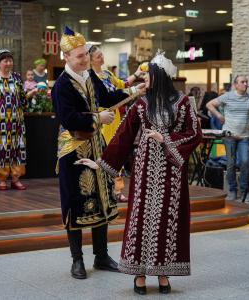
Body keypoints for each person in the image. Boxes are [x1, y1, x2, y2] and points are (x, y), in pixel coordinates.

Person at [79, 51, 202, 294]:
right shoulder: (141, 103)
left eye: (149, 76)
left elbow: (194, 134)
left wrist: (165, 138)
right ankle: (139, 274)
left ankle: (164, 273)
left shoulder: (183, 102)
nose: (145, 80)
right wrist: (101, 163)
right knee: (142, 218)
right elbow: (123, 136)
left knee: (168, 219)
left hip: (171, 173)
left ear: (161, 77)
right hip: (144, 170)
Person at [51, 26, 145, 280]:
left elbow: (108, 95)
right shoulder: (61, 85)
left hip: (96, 148)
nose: (85, 59)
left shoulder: (90, 77)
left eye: (85, 54)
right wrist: (97, 118)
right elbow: (68, 118)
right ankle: (77, 260)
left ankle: (101, 255)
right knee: (75, 202)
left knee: (103, 199)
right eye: (79, 56)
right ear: (67, 57)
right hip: (73, 150)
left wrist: (136, 91)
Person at [89, 45, 143, 201]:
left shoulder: (107, 74)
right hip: (101, 119)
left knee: (117, 152)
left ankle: (117, 190)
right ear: (91, 60)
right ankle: (101, 189)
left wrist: (136, 74)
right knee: (102, 154)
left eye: (101, 55)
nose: (102, 58)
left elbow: (122, 84)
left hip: (115, 119)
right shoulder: (91, 78)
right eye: (98, 56)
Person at [0, 49, 37, 190]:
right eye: (5, 60)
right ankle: (2, 179)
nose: (8, 63)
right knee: (1, 148)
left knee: (17, 148)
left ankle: (16, 178)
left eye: (10, 60)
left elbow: (23, 99)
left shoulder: (17, 78)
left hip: (16, 121)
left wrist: (31, 93)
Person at [206, 75, 249, 201]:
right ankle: (232, 189)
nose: (245, 84)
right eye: (242, 82)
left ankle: (244, 190)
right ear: (236, 84)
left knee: (245, 162)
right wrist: (219, 115)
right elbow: (209, 104)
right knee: (230, 164)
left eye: (246, 82)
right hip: (229, 136)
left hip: (244, 136)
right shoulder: (228, 96)